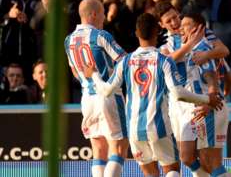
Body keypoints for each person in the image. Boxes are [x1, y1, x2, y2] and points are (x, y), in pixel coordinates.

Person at [83, 13, 221, 177]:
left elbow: (106, 91)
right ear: (157, 32)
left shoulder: (126, 61)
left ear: (136, 33)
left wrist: (93, 74)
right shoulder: (164, 60)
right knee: (171, 170)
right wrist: (207, 99)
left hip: (134, 130)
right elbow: (178, 94)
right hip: (159, 127)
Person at [154, 1, 229, 176]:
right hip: (178, 107)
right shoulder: (165, 46)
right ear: (161, 25)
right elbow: (167, 60)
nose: (175, 23)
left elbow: (222, 53)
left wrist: (213, 95)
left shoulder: (200, 37)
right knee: (187, 158)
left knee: (209, 160)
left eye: (176, 17)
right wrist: (190, 44)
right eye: (169, 21)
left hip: (200, 101)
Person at [64, 0, 128, 177]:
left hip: (87, 98)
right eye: (102, 13)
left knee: (98, 149)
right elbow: (125, 61)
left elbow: (75, 72)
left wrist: (89, 81)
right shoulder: (101, 35)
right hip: (108, 95)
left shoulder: (68, 40)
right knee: (119, 146)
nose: (104, 18)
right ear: (93, 14)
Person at [179, 12, 231, 176]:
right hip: (208, 106)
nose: (181, 29)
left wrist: (211, 100)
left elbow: (211, 77)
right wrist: (223, 94)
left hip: (209, 107)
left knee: (211, 162)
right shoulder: (207, 49)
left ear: (198, 28)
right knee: (193, 158)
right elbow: (230, 77)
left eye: (186, 25)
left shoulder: (201, 50)